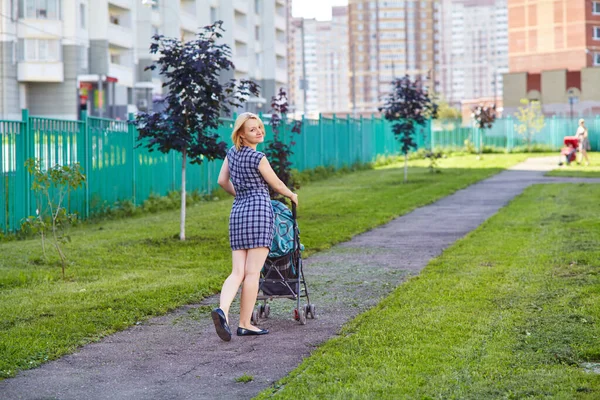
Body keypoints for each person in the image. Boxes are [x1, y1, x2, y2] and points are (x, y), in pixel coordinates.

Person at [211, 112, 298, 342]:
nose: (259, 131)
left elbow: (222, 181)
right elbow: (276, 184)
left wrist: (239, 194)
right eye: (252, 129)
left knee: (237, 272)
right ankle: (245, 324)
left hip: (238, 213)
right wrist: (291, 195)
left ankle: (223, 311)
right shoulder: (258, 157)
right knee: (252, 273)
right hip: (259, 213)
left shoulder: (231, 154)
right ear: (241, 134)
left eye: (259, 127)